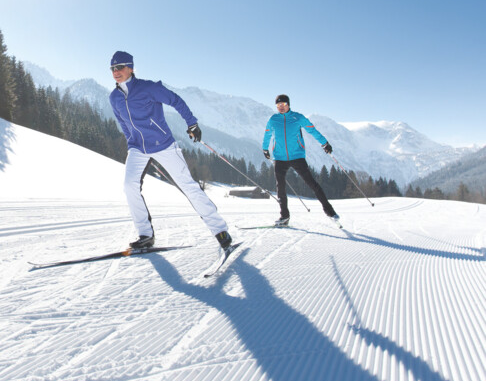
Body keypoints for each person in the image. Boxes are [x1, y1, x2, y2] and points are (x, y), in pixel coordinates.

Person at [107, 51, 233, 252]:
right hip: (138, 148)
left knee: (188, 186)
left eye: (120, 67)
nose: (116, 72)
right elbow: (122, 122)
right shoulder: (114, 97)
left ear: (130, 67)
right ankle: (145, 235)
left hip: (163, 144)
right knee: (129, 186)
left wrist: (192, 123)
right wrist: (131, 141)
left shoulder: (149, 88)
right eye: (112, 68)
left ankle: (220, 230)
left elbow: (176, 100)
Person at [262, 94, 339, 226]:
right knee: (280, 188)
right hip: (280, 158)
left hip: (297, 156)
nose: (281, 107)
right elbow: (267, 134)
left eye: (283, 104)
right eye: (278, 105)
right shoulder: (273, 119)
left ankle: (330, 211)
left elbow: (312, 131)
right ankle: (284, 217)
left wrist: (324, 143)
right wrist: (265, 149)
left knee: (312, 184)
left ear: (288, 105)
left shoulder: (298, 117)